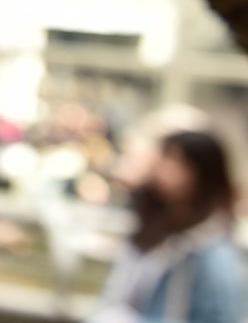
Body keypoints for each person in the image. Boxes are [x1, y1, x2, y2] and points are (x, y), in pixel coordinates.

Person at [89, 130, 243, 323]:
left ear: (204, 172)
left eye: (178, 162)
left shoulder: (211, 250)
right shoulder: (156, 222)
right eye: (165, 157)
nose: (164, 169)